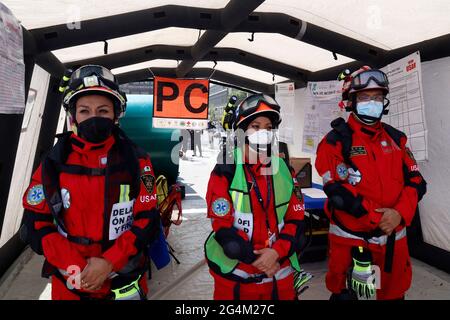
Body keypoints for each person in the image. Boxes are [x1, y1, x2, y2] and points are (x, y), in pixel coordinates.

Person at [20, 65, 160, 300]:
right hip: (71, 281)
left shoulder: (138, 160)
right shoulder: (54, 161)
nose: (94, 118)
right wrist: (76, 266)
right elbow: (35, 224)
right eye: (84, 111)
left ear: (116, 114)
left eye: (103, 111)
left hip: (122, 280)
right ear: (74, 115)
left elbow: (147, 220)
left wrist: (109, 262)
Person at [315, 66, 427, 300]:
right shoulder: (335, 142)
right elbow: (337, 193)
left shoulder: (396, 138)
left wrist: (398, 213)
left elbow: (417, 182)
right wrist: (379, 219)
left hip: (394, 247)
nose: (372, 103)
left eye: (377, 97)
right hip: (354, 248)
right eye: (365, 97)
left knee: (393, 295)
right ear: (351, 101)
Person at [204, 94, 306, 300]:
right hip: (237, 281)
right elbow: (223, 229)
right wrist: (258, 259)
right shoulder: (226, 170)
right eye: (256, 127)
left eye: (268, 128)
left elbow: (296, 219)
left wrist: (276, 252)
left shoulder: (283, 169)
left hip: (280, 278)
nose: (264, 133)